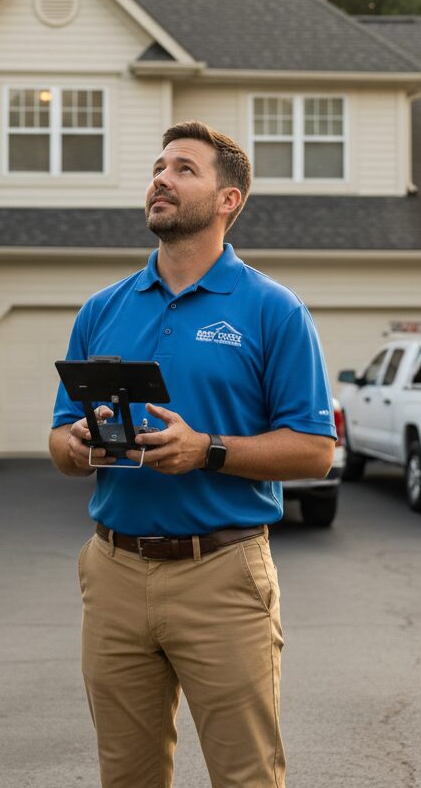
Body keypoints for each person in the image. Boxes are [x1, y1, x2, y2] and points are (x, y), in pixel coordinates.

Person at [49, 121, 336, 788]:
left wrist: (207, 450)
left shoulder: (273, 310)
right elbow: (59, 442)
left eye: (184, 169)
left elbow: (315, 451)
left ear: (228, 199)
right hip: (114, 571)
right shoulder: (102, 309)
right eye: (159, 167)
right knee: (127, 777)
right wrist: (79, 443)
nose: (161, 178)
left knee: (246, 776)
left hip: (223, 574)